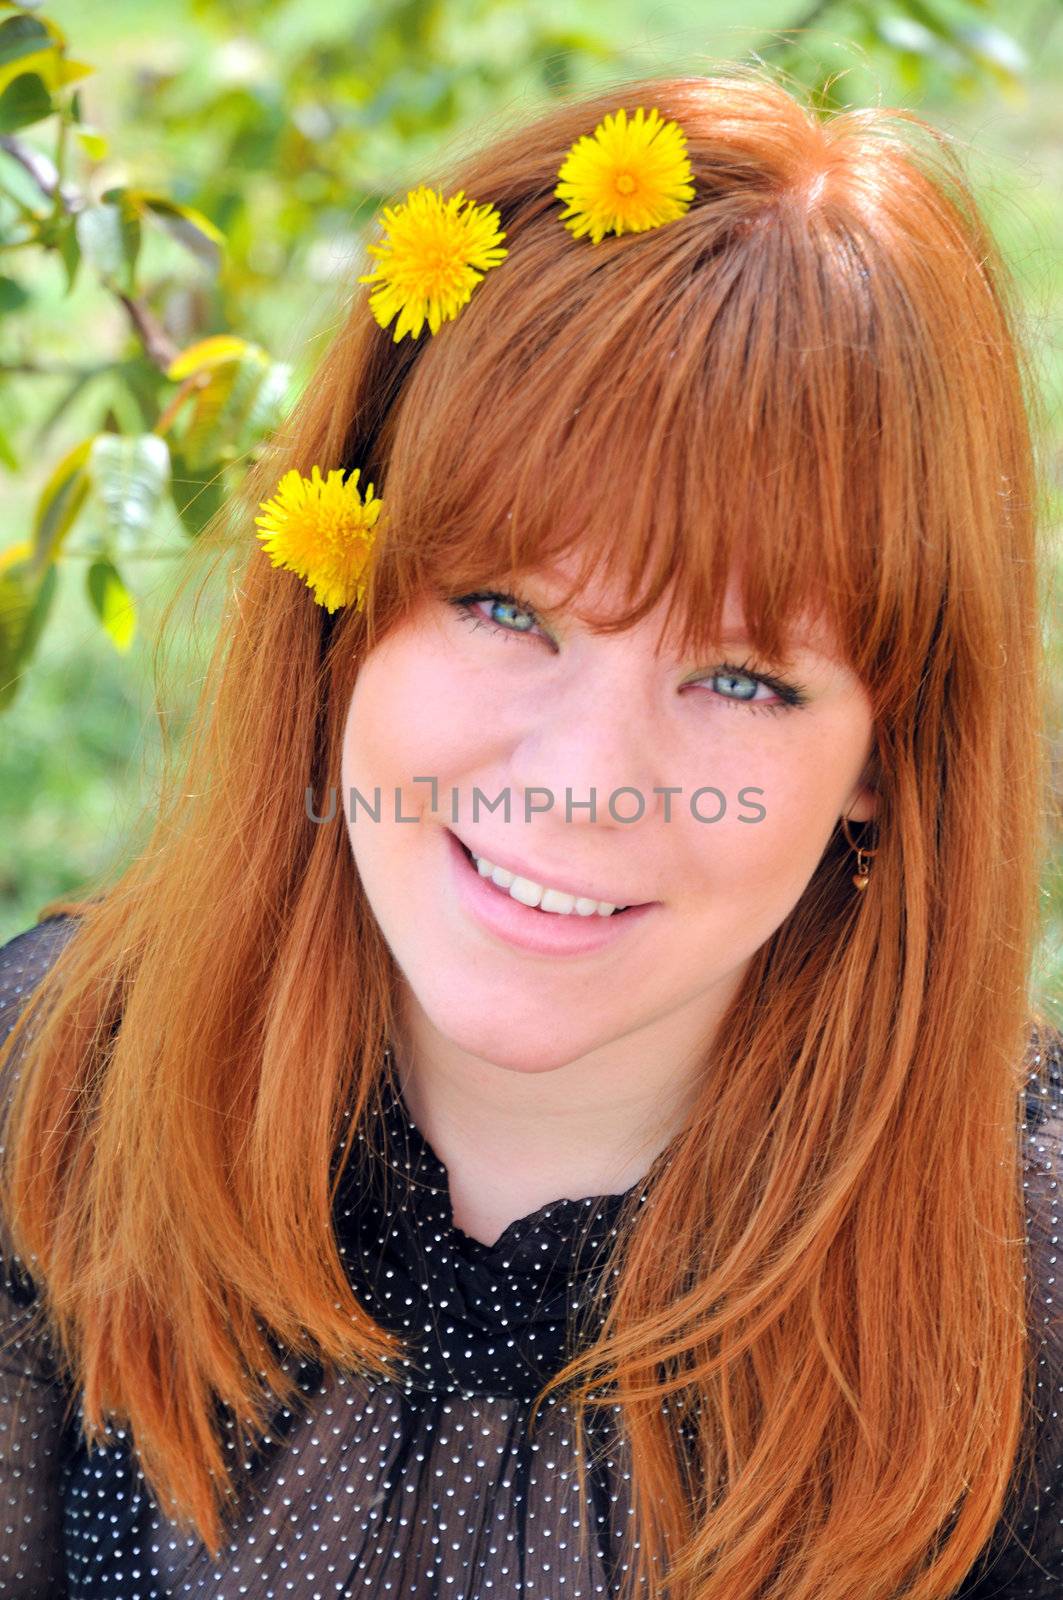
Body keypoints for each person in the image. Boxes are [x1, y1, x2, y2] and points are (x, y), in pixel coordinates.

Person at [1, 64, 1060, 1600]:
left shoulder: (1025, 1281)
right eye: (507, 607)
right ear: (344, 603)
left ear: (887, 759)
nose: (584, 781)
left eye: (745, 679)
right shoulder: (57, 1089)